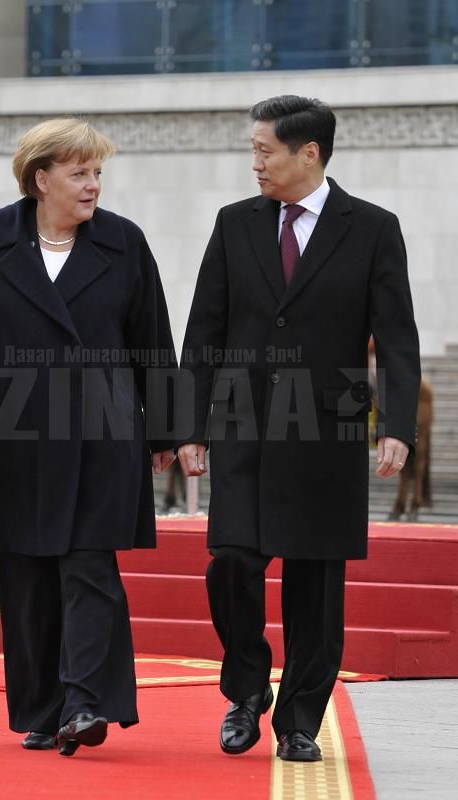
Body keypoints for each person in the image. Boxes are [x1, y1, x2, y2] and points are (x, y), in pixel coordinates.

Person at [177, 95, 420, 762]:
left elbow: (396, 337)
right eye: (252, 150)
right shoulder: (234, 224)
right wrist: (188, 426)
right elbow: (203, 332)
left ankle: (299, 721)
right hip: (243, 421)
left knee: (315, 583)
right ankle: (246, 689)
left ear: (308, 153)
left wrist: (395, 424)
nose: (254, 162)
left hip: (326, 429)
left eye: (265, 150)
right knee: (231, 561)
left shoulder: (373, 229)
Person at [0, 117, 175, 756]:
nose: (93, 185)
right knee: (27, 578)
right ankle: (43, 710)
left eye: (97, 173)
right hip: (13, 438)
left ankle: (85, 702)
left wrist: (167, 431)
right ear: (41, 179)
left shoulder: (124, 243)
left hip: (102, 433)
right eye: (79, 173)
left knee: (91, 566)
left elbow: (152, 340)